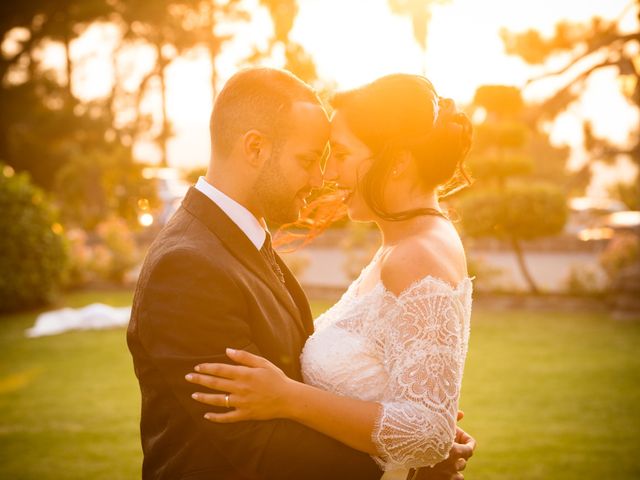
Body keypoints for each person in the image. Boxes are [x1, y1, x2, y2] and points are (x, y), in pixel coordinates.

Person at [128, 67, 474, 480]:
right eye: (309, 160)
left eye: (335, 157)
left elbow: (292, 381)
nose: (321, 178)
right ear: (255, 148)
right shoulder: (186, 266)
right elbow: (256, 441)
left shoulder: (238, 240)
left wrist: (410, 436)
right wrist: (406, 467)